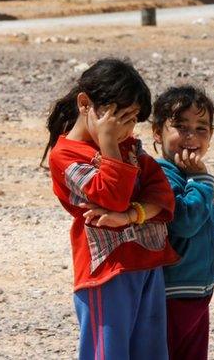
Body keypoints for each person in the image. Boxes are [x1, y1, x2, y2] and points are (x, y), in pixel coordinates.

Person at [44, 58, 179, 360]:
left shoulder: (129, 146)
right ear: (85, 104)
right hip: (107, 271)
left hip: (146, 262)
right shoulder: (66, 157)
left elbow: (162, 193)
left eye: (132, 120)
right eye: (120, 118)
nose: (126, 129)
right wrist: (108, 144)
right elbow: (113, 198)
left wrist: (132, 215)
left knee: (152, 351)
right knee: (108, 353)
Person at [151, 85, 214, 360]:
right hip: (172, 293)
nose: (191, 137)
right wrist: (202, 181)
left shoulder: (189, 174)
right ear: (157, 132)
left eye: (201, 129)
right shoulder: (163, 175)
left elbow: (206, 225)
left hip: (197, 290)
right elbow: (185, 222)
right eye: (181, 127)